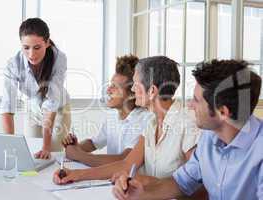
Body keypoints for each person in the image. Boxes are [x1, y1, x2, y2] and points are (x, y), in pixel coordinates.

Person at [112, 59, 263, 200]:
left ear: (222, 112)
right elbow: (181, 183)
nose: (190, 106)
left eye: (196, 100)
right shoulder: (208, 138)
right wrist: (141, 193)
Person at [53, 56, 200, 185]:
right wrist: (76, 175)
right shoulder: (152, 124)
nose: (134, 90)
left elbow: (197, 187)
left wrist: (149, 183)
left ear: (152, 91)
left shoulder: (186, 125)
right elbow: (127, 164)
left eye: (136, 84)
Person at [0, 18, 71, 159]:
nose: (31, 54)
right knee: (29, 153)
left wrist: (46, 147)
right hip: (33, 109)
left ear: (47, 43)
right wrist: (10, 146)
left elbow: (52, 102)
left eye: (37, 47)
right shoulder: (13, 64)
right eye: (26, 48)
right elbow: (8, 107)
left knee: (52, 154)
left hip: (58, 110)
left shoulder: (59, 58)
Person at [62, 55, 150, 167]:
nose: (108, 90)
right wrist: (76, 147)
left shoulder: (144, 120)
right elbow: (94, 143)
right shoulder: (112, 116)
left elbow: (124, 159)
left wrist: (78, 155)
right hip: (111, 178)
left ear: (132, 93)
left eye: (115, 87)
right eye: (110, 85)